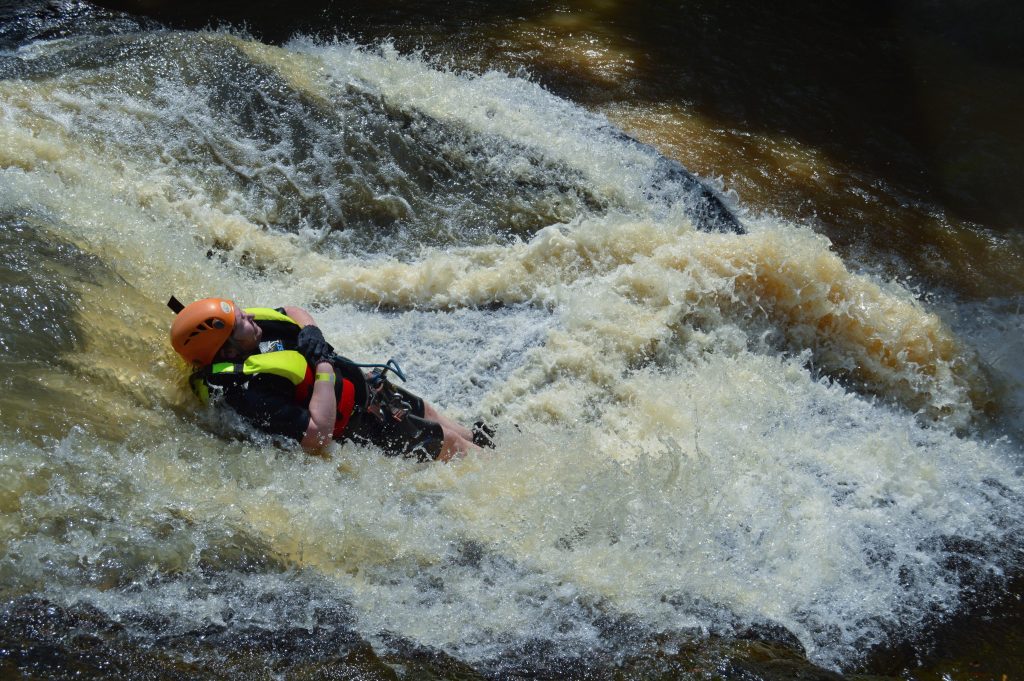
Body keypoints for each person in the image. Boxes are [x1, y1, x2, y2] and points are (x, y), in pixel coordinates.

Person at [168, 297, 492, 461]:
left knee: (430, 412)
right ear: (226, 351)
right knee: (447, 443)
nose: (250, 317)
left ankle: (490, 446)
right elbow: (316, 437)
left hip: (366, 389)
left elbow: (291, 310)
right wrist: (323, 364)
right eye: (241, 322)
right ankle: (493, 473)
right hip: (363, 426)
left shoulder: (252, 333)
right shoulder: (249, 393)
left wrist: (311, 330)